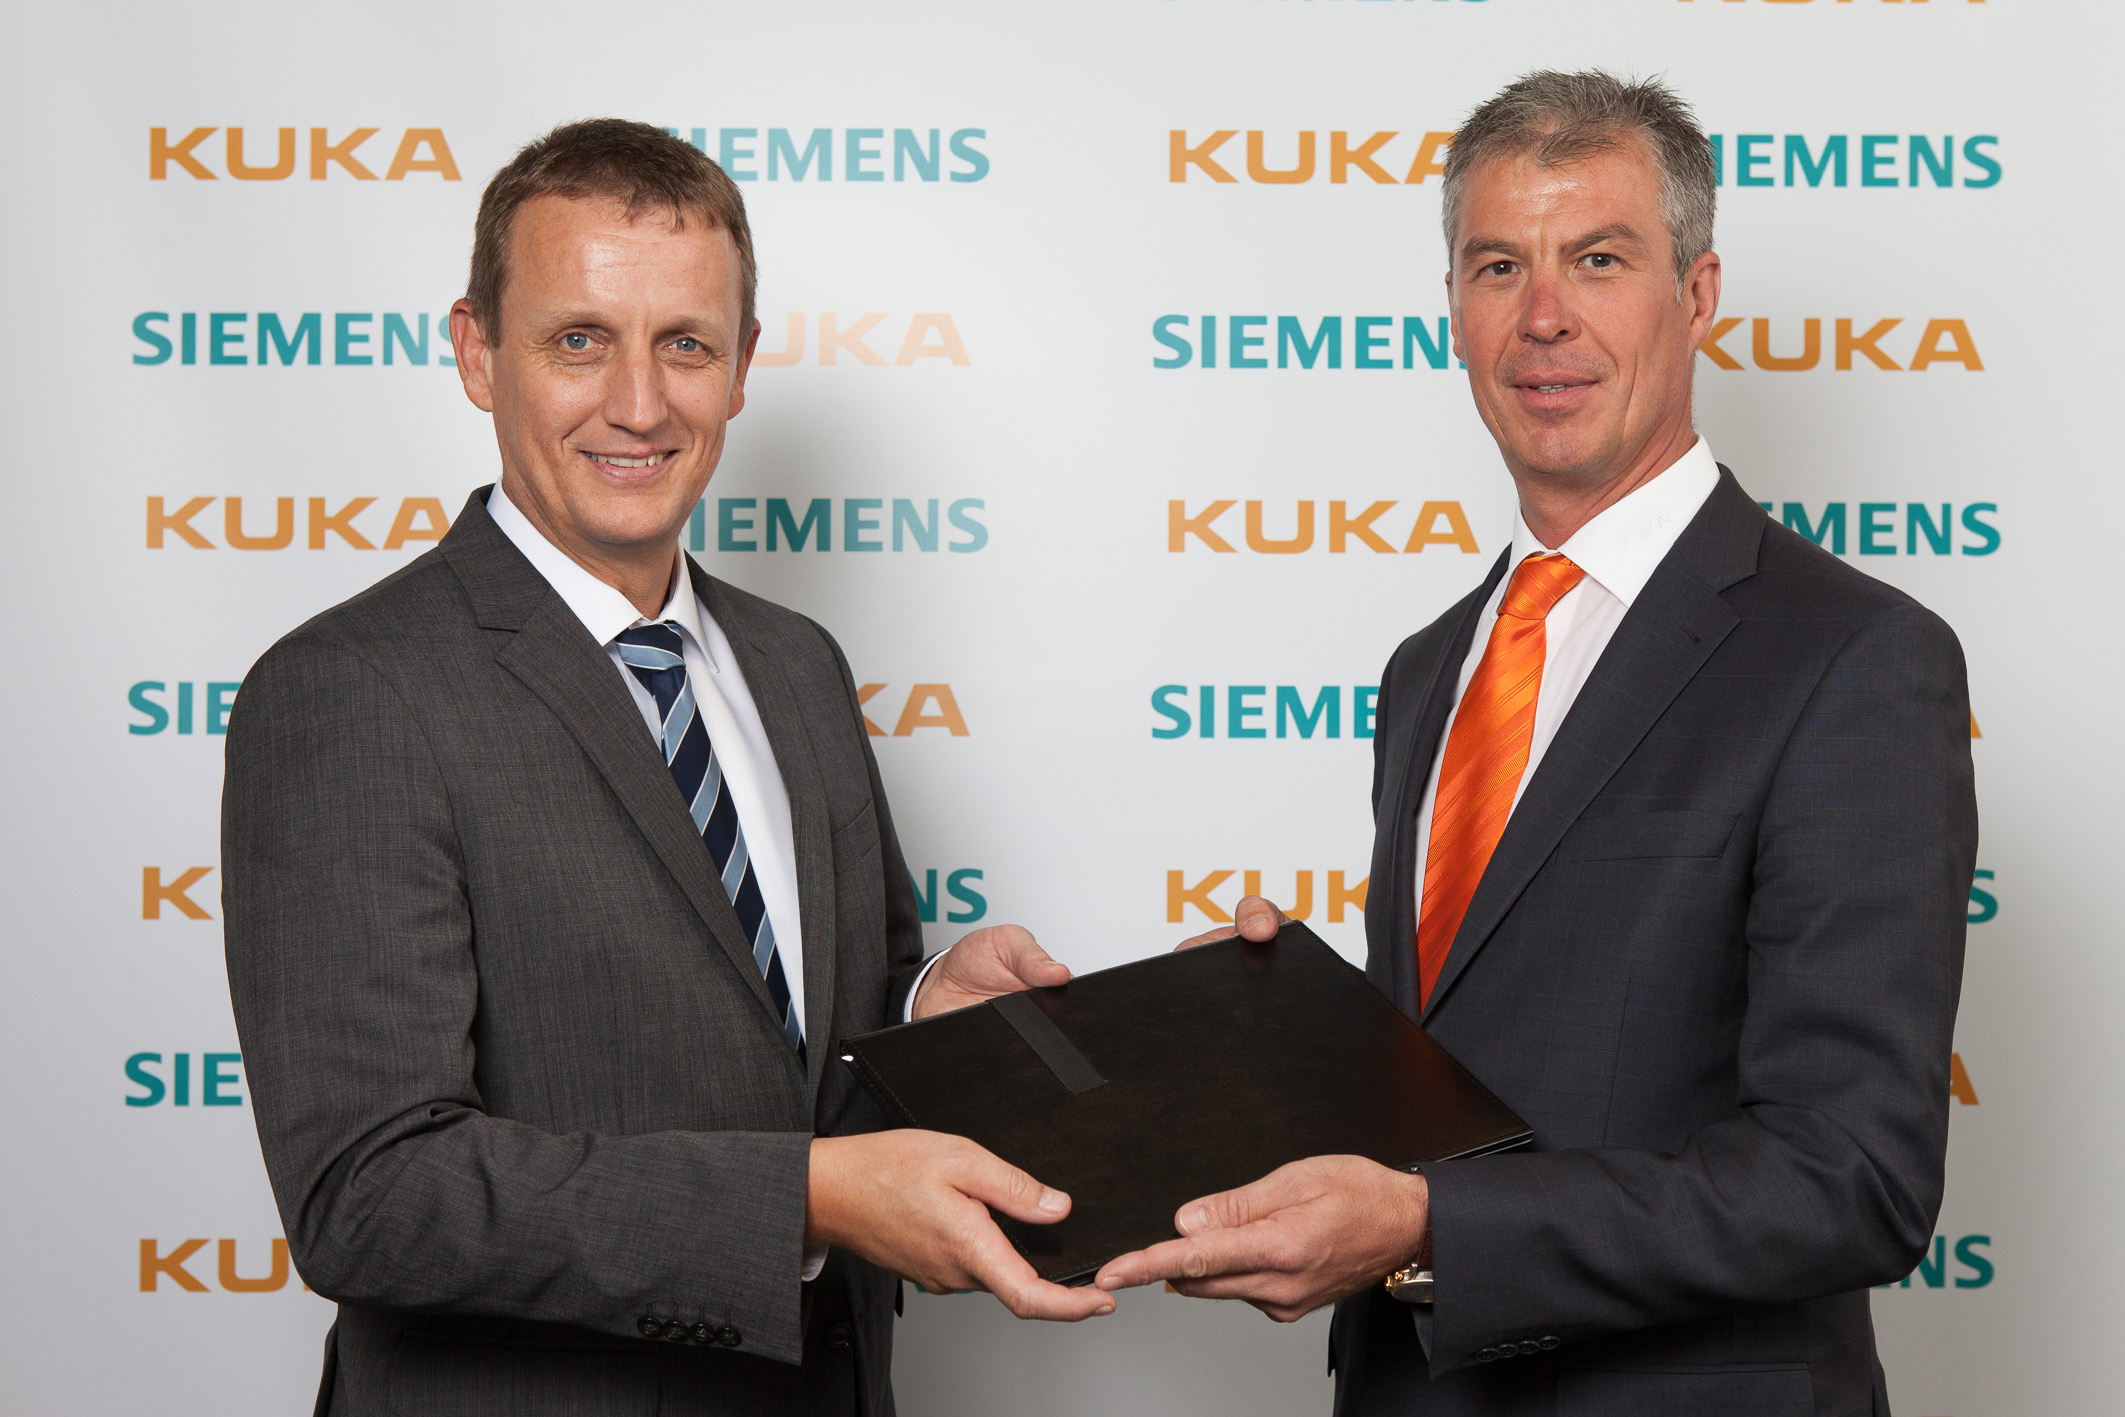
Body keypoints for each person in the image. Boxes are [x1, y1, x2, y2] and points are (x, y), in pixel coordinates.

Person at [1098, 71, 1975, 1416]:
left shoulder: (1854, 658)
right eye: (1498, 265)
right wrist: (1264, 1051)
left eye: (1598, 260)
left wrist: (1428, 1230)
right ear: (1451, 307)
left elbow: (1850, 1176)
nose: (1543, 315)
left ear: (1696, 294)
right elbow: (1476, 1073)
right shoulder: (1429, 668)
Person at [221, 118, 1110, 1417]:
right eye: (579, 340)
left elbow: (799, 1037)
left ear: (741, 367)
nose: (638, 404)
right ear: (477, 351)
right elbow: (371, 1195)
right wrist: (804, 1198)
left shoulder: (795, 663)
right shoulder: (351, 691)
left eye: (685, 344)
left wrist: (925, 1010)